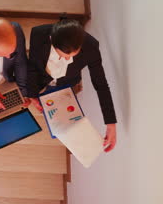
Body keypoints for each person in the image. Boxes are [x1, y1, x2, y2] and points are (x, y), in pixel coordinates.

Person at [27, 19, 117, 152]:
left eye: (73, 54)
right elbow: (33, 67)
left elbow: (101, 84)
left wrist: (111, 123)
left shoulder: (91, 46)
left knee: (65, 124)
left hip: (67, 82)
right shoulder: (38, 34)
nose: (69, 59)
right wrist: (32, 94)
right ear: (51, 40)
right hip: (42, 79)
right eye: (64, 55)